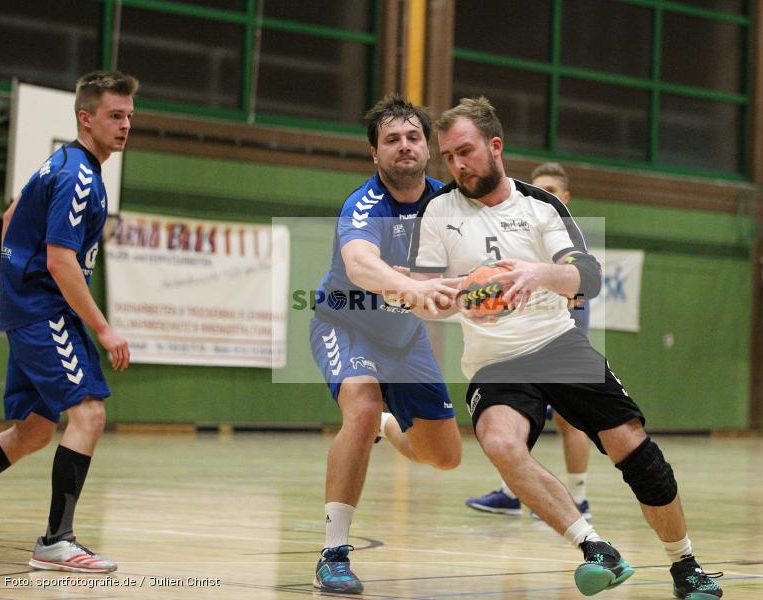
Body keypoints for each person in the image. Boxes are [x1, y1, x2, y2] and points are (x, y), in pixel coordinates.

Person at [408, 97, 722, 599]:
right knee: (499, 441)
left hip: (556, 343)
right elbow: (427, 300)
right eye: (447, 156)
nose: (457, 165)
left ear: (495, 145)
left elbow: (589, 277)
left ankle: (686, 565)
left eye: (464, 151)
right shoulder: (438, 211)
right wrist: (449, 294)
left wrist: (538, 273)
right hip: (494, 360)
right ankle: (596, 547)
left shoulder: (540, 206)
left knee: (636, 452)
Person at [308, 95, 463, 594]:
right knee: (361, 407)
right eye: (391, 139)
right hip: (345, 323)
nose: (404, 146)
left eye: (413, 137)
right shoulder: (363, 204)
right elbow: (359, 265)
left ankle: (391, 425)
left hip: (404, 338)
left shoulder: (448, 203)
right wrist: (415, 287)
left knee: (444, 456)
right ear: (375, 154)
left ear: (427, 148)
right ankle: (334, 553)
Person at [0, 70, 137, 573]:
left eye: (129, 117)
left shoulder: (62, 164)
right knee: (89, 413)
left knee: (31, 431)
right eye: (115, 116)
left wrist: (7, 297)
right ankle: (56, 540)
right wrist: (103, 327)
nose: (124, 126)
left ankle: (58, 538)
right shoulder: (78, 176)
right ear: (86, 117)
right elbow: (59, 260)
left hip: (28, 310)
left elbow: (11, 220)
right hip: (47, 312)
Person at [465, 162, 593, 520]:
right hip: (522, 339)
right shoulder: (523, 233)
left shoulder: (566, 239)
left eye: (550, 191)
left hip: (560, 337)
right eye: (536, 190)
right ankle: (512, 493)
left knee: (570, 419)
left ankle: (579, 499)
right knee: (517, 411)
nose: (542, 197)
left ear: (565, 198)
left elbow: (577, 300)